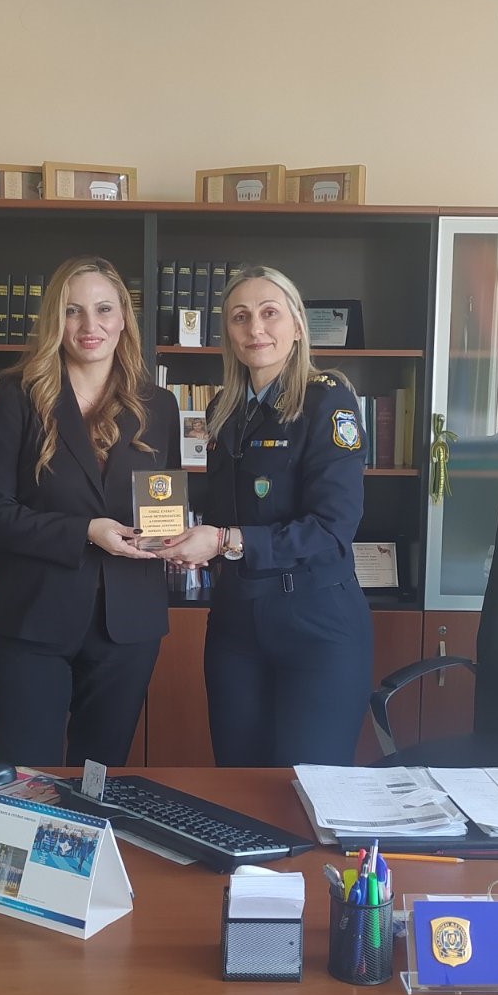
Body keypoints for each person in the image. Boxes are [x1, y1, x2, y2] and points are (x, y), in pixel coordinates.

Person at [0, 256, 181, 768]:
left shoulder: (159, 405)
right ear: (55, 320)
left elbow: (163, 502)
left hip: (128, 626)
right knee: (29, 779)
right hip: (32, 622)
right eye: (73, 310)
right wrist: (85, 530)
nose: (90, 325)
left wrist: (174, 538)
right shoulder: (17, 397)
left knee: (98, 781)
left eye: (104, 309)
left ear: (123, 317)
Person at [155, 265, 372, 767]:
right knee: (238, 780)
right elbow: (226, 510)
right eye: (240, 317)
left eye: (269, 313)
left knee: (308, 787)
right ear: (228, 334)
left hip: (315, 620)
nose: (256, 329)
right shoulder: (224, 409)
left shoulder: (328, 401)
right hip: (236, 621)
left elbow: (333, 529)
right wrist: (184, 541)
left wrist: (224, 541)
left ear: (297, 325)